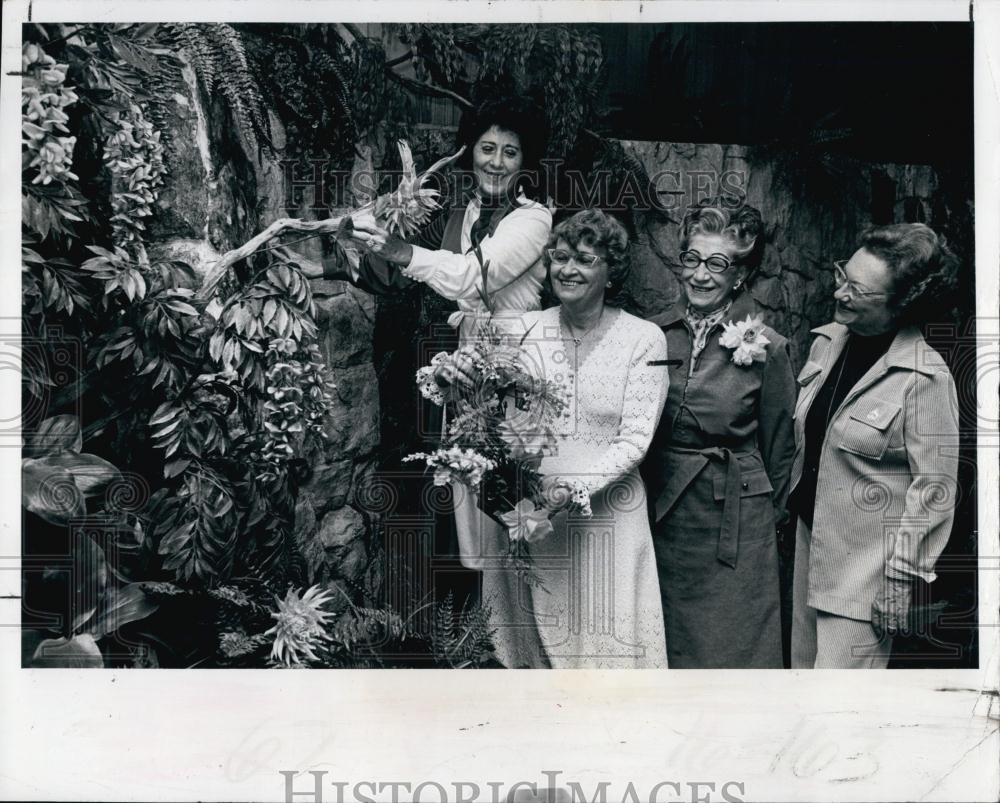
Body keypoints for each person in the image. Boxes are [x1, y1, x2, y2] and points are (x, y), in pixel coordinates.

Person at [330, 96, 554, 622]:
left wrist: (400, 251)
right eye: (487, 148)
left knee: (505, 497)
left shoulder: (534, 220)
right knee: (457, 497)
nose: (496, 162)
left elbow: (470, 276)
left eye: (510, 152)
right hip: (460, 367)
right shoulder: (459, 211)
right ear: (470, 152)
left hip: (517, 366)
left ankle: (515, 632)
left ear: (526, 163)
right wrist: (340, 248)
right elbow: (394, 267)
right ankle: (458, 632)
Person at [443, 209, 670, 668]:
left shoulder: (645, 339)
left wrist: (575, 487)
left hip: (606, 521)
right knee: (531, 655)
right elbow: (489, 409)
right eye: (560, 257)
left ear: (611, 271)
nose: (568, 269)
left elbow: (635, 440)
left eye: (585, 260)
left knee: (606, 654)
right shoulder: (525, 329)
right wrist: (459, 382)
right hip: (530, 520)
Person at [787, 223, 960, 669]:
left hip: (866, 573)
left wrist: (901, 578)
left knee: (841, 710)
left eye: (857, 290)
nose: (840, 293)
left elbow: (935, 488)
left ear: (901, 305)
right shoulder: (827, 342)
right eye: (842, 275)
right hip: (812, 548)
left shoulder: (925, 376)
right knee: (803, 692)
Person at [642, 200, 797, 668]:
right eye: (692, 258)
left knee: (734, 640)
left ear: (741, 275)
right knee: (665, 634)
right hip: (665, 509)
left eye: (718, 263)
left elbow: (779, 447)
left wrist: (765, 514)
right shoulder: (652, 334)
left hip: (737, 517)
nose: (701, 275)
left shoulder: (768, 346)